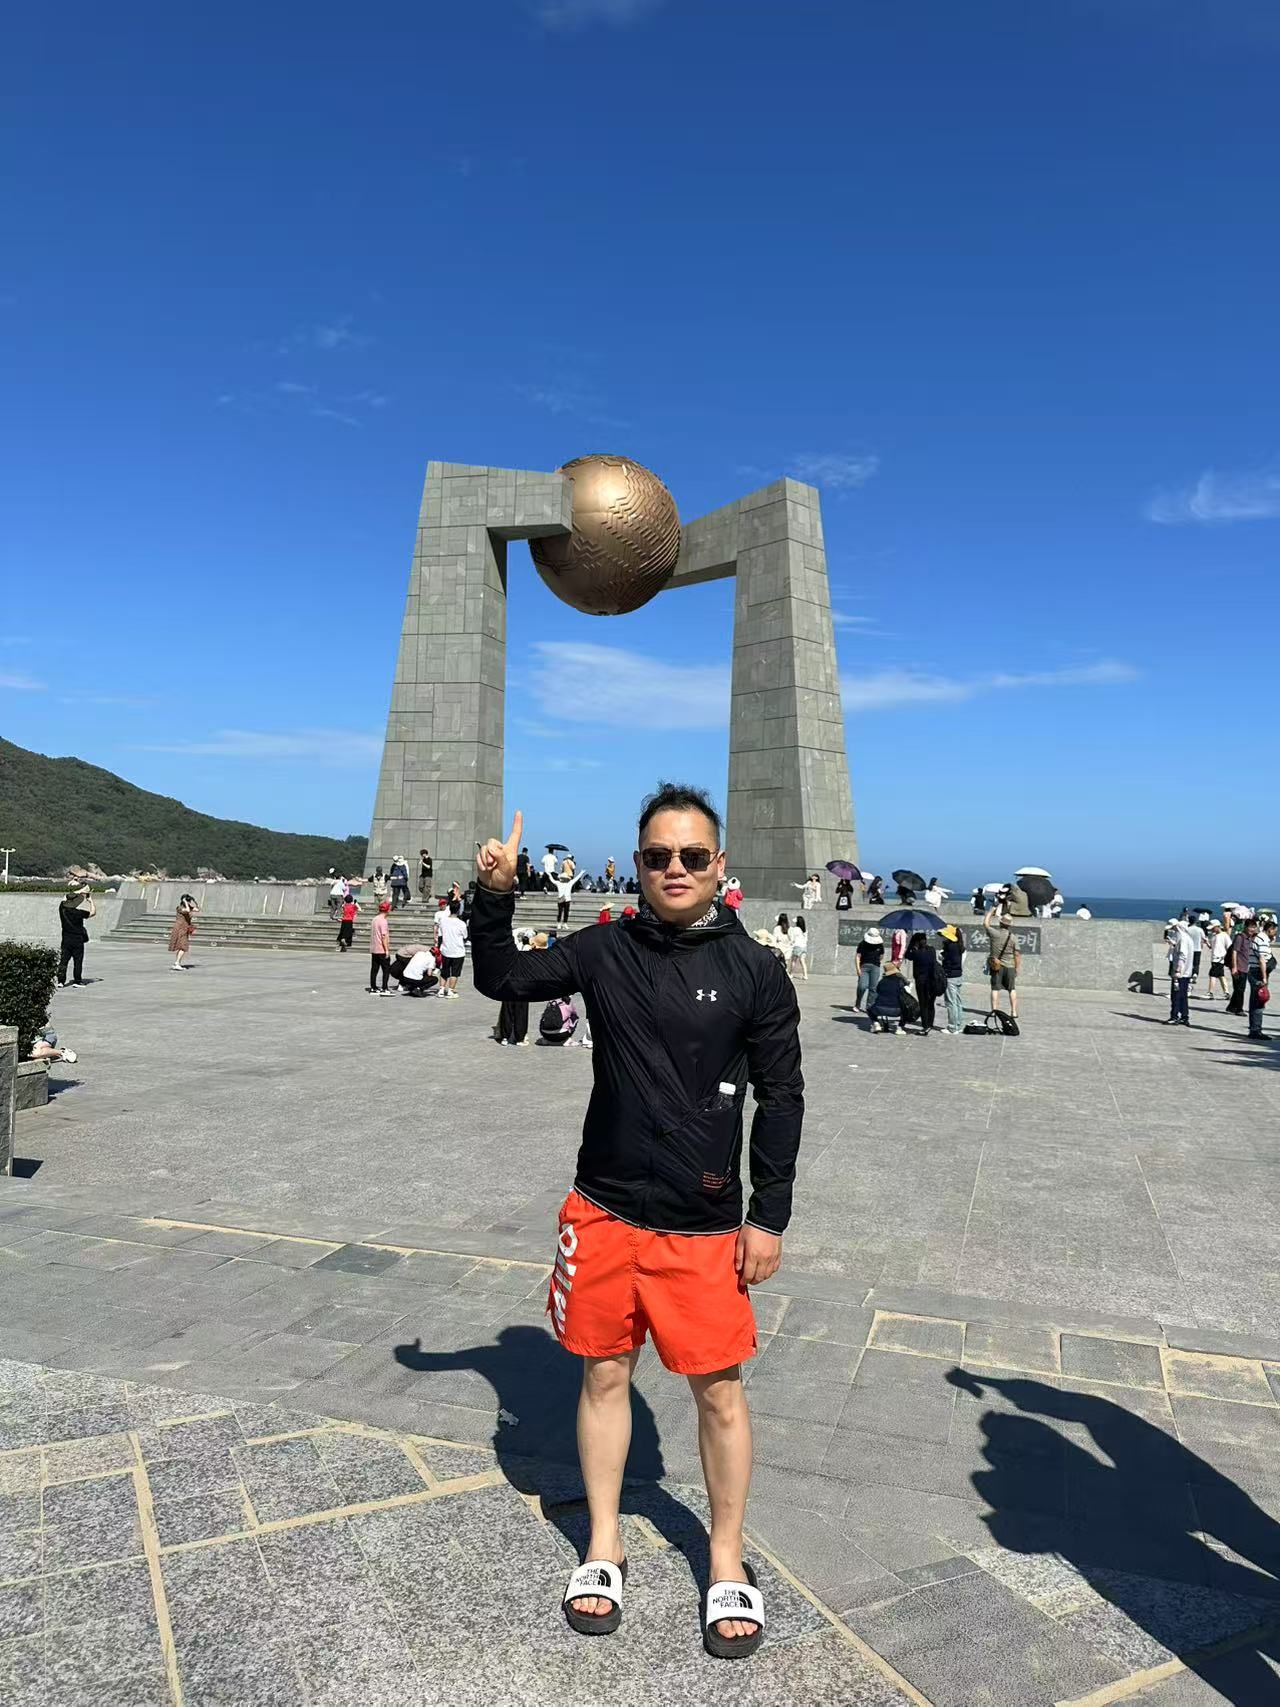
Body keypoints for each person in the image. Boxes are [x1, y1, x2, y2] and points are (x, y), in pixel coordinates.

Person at [471, 782, 802, 1659]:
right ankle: (604, 1542)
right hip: (606, 1206)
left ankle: (725, 1557)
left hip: (704, 1224)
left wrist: (767, 1215)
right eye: (658, 856)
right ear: (640, 864)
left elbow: (783, 1097)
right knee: (603, 1376)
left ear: (719, 864)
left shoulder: (757, 970)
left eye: (692, 855)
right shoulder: (604, 948)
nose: (675, 868)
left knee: (720, 1391)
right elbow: (502, 978)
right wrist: (496, 893)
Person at [984, 905, 1020, 1021]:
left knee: (995, 989)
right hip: (1010, 966)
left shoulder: (994, 933)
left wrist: (991, 911)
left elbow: (986, 924)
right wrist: (1017, 968)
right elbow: (1017, 954)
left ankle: (994, 1011)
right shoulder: (1013, 938)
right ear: (1009, 925)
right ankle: (1014, 1011)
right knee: (1012, 989)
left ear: (1000, 923)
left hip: (996, 966)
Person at [57, 884, 95, 987]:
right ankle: (77, 981)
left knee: (63, 961)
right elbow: (93, 913)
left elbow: (65, 897)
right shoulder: (78, 913)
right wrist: (90, 901)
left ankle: (61, 981)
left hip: (66, 939)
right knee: (77, 961)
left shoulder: (62, 909)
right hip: (77, 940)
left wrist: (79, 892)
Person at [1241, 917, 1272, 1040]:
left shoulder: (1254, 938)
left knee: (1255, 1000)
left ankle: (1254, 1029)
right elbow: (1262, 959)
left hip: (1253, 970)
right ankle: (1256, 1030)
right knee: (1259, 1001)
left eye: (1255, 926)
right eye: (1251, 926)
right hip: (1257, 972)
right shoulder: (1261, 939)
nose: (1253, 929)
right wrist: (1264, 977)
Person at [908, 931, 941, 1036]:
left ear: (917, 942)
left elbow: (907, 955)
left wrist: (911, 945)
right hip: (933, 980)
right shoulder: (932, 950)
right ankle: (930, 1024)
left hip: (922, 982)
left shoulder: (916, 953)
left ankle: (925, 1026)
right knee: (931, 1003)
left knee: (923, 1004)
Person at [437, 900, 468, 999]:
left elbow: (440, 934)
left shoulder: (443, 921)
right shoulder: (461, 924)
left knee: (444, 971)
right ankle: (450, 991)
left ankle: (441, 990)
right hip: (458, 951)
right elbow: (465, 936)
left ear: (449, 909)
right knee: (455, 973)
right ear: (459, 910)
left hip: (446, 950)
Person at [1164, 920, 1193, 1027]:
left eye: (1174, 928)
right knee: (1183, 996)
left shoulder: (1182, 939)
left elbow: (1182, 955)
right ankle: (1184, 1016)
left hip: (1180, 973)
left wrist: (1177, 970)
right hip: (1187, 972)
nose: (1173, 930)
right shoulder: (1188, 938)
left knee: (1176, 995)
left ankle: (1174, 1016)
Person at [868, 961, 910, 1033]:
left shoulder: (881, 981)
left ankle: (876, 1023)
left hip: (879, 1009)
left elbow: (878, 991)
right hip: (896, 1010)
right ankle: (899, 1028)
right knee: (906, 1009)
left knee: (869, 1009)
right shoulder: (900, 981)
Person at [939, 924, 965, 1035]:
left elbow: (948, 961)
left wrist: (942, 957)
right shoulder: (958, 945)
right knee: (957, 1002)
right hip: (958, 975)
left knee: (950, 1002)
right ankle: (958, 1025)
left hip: (950, 976)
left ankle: (952, 1027)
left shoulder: (951, 946)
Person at [854, 928, 884, 1011]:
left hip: (875, 967)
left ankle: (869, 1006)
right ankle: (858, 1003)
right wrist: (858, 969)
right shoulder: (862, 944)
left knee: (873, 988)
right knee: (862, 986)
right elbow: (857, 956)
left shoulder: (880, 945)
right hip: (864, 967)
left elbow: (881, 956)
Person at [368, 900, 394, 994]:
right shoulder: (383, 921)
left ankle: (373, 987)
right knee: (386, 969)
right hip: (381, 949)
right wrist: (387, 950)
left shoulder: (375, 919)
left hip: (374, 948)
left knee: (374, 969)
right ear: (387, 910)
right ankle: (385, 988)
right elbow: (384, 936)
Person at [169, 895, 198, 970]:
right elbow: (187, 910)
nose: (189, 902)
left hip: (185, 928)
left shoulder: (189, 907)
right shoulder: (179, 908)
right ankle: (177, 963)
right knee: (183, 946)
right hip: (180, 928)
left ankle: (177, 963)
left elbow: (197, 909)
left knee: (182, 946)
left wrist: (194, 901)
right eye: (188, 901)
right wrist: (185, 902)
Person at [1206, 919, 1231, 1002]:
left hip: (1219, 959)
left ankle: (1210, 992)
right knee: (1221, 975)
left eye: (1213, 928)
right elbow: (1212, 947)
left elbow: (1229, 947)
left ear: (1217, 927)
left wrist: (1225, 956)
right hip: (1214, 958)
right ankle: (1226, 992)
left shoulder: (1224, 935)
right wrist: (1207, 942)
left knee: (1212, 975)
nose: (1212, 930)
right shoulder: (1213, 936)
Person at [1186, 916, 1205, 989]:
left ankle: (1189, 975)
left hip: (1189, 949)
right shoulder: (1199, 929)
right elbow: (1203, 938)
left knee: (1189, 963)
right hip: (1197, 948)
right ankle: (1195, 973)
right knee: (1196, 963)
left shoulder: (1187, 929)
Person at [788, 915, 809, 981]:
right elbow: (806, 939)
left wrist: (791, 944)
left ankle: (791, 974)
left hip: (797, 946)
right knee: (802, 961)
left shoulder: (795, 929)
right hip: (804, 947)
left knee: (793, 961)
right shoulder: (805, 930)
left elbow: (792, 938)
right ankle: (805, 975)